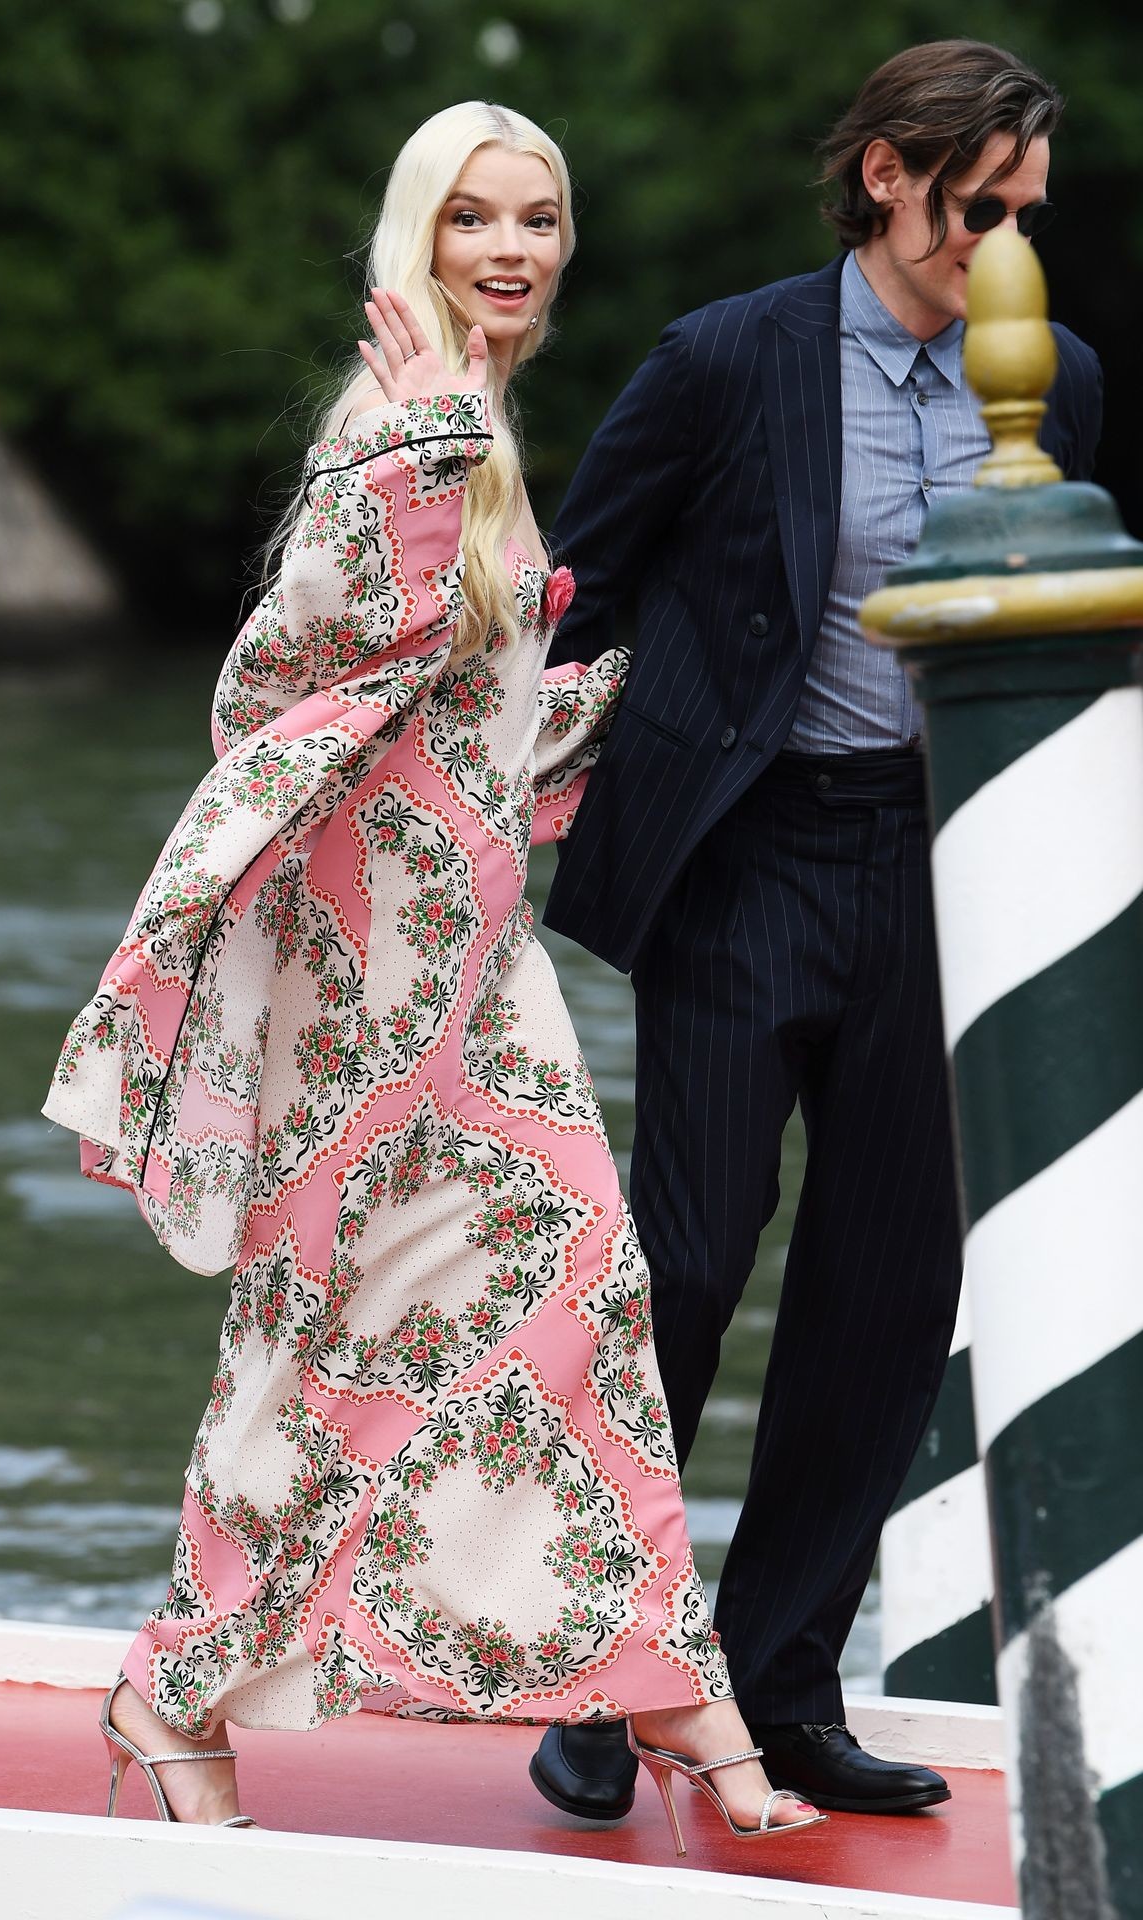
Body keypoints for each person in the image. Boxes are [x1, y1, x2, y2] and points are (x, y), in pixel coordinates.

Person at [43, 101, 823, 1847]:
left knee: (572, 1293)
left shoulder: (472, 417)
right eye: (473, 218)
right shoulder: (396, 416)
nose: (509, 249)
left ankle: (664, 1683)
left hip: (473, 961)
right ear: (420, 233)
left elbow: (457, 705)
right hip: (373, 980)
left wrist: (620, 699)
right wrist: (420, 450)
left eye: (537, 218)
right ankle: (177, 1688)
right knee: (323, 1335)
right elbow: (292, 670)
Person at [529, 39, 1103, 1823]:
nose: (1003, 243)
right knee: (690, 1262)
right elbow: (576, 593)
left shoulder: (1062, 382)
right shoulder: (727, 357)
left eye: (1028, 212)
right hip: (747, 853)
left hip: (941, 871)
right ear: (886, 175)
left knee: (886, 1296)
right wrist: (515, 798)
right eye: (978, 205)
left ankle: (780, 1689)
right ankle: (608, 1675)